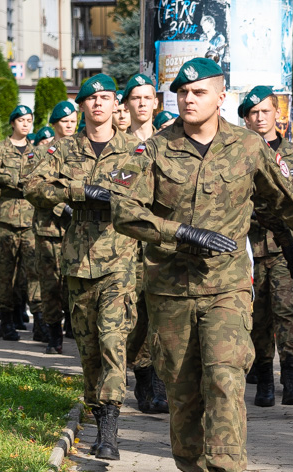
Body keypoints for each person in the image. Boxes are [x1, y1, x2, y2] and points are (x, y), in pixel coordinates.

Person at [110, 58, 293, 472]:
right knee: (184, 393)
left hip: (226, 289)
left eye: (198, 92)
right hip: (171, 292)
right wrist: (180, 233)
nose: (187, 99)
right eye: (181, 92)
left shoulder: (247, 147)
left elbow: (291, 201)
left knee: (225, 380)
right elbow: (123, 209)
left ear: (222, 96)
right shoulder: (154, 149)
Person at [25, 73, 140, 461]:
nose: (98, 105)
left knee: (112, 341)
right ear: (82, 106)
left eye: (106, 98)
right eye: (91, 99)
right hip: (77, 263)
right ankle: (96, 410)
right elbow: (34, 187)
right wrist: (77, 191)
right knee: (89, 349)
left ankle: (110, 429)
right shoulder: (63, 150)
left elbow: (152, 196)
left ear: (115, 105)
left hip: (120, 260)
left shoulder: (136, 149)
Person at [238, 86, 293, 407]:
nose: (259, 117)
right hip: (251, 249)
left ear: (276, 114)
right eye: (253, 113)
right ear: (246, 119)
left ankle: (292, 379)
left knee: (287, 312)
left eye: (265, 111)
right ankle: (265, 379)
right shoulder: (239, 156)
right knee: (258, 316)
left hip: (288, 250)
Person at [122, 73, 168, 413]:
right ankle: (139, 372)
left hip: (160, 244)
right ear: (127, 105)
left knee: (160, 314)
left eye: (147, 97)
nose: (141, 103)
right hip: (124, 244)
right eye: (135, 98)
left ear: (156, 103)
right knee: (133, 315)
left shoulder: (170, 144)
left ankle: (155, 382)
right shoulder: (117, 146)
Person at [0, 105, 45, 342]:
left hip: (29, 218)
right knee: (4, 273)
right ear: (13, 123)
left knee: (35, 272)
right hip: (5, 219)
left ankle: (39, 321)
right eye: (21, 120)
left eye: (29, 120)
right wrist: (9, 178)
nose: (26, 124)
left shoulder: (36, 152)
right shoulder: (0, 148)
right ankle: (6, 321)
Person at [27, 101, 78, 354]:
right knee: (50, 283)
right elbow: (35, 187)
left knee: (75, 281)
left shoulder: (83, 149)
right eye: (64, 122)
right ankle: (53, 334)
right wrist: (61, 206)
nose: (69, 126)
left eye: (72, 121)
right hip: (49, 228)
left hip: (78, 228)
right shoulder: (42, 154)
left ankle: (73, 326)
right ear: (54, 125)